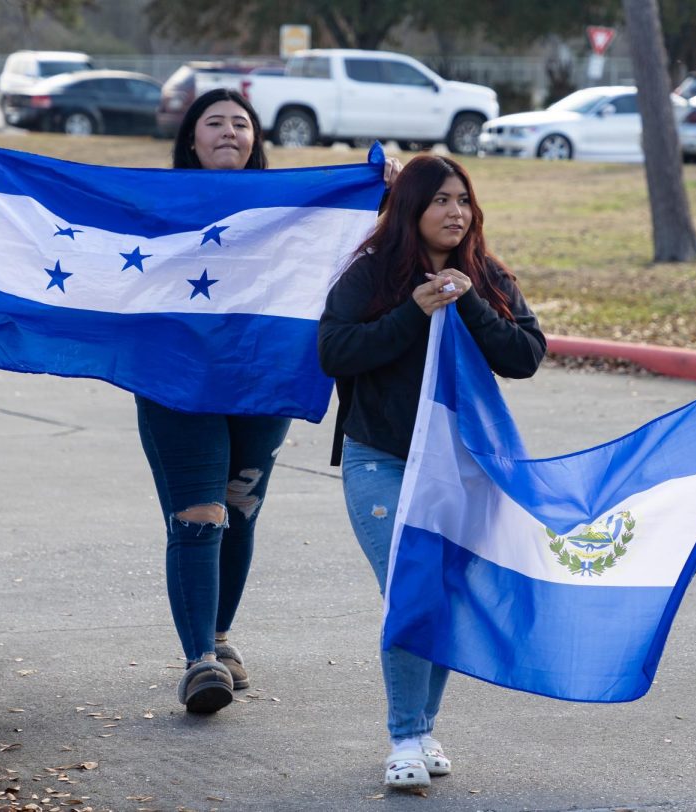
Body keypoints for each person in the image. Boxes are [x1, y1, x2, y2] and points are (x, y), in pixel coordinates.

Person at [140, 88, 401, 714]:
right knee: (199, 513)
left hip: (264, 379)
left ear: (256, 138)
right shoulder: (157, 202)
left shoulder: (292, 207)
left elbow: (364, 243)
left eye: (241, 123)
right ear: (191, 138)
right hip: (178, 382)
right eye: (214, 122)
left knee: (240, 507)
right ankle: (199, 658)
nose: (229, 131)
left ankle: (221, 637)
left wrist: (385, 191)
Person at [317, 155, 546, 790]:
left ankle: (422, 726)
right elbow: (334, 351)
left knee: (440, 594)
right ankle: (403, 738)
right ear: (411, 209)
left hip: (462, 469)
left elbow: (525, 356)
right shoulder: (371, 276)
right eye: (441, 200)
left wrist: (469, 304)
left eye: (463, 200)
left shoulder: (487, 275)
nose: (455, 212)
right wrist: (412, 311)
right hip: (381, 459)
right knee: (410, 586)